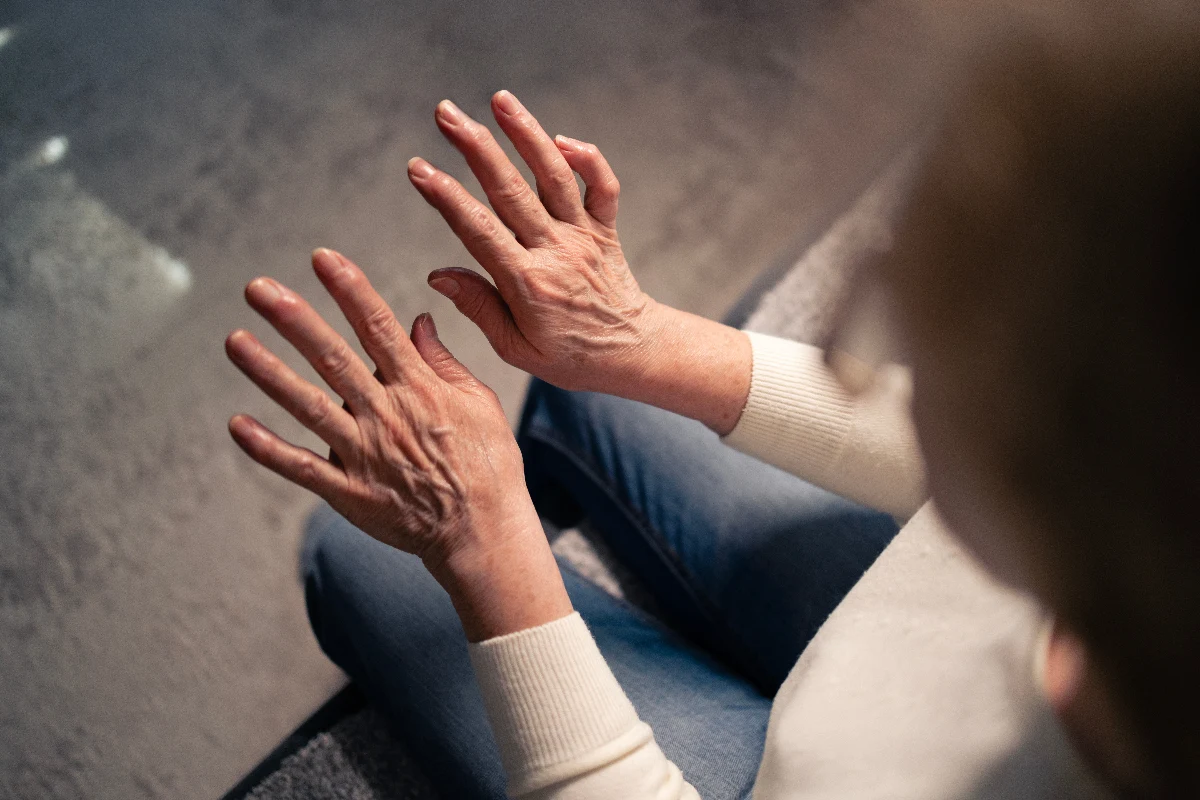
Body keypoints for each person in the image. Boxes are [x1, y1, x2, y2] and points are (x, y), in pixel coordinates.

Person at [225, 16, 1198, 800]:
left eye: (911, 317)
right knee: (583, 394)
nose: (866, 305)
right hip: (947, 630)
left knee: (355, 559)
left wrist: (481, 543)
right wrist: (638, 338)